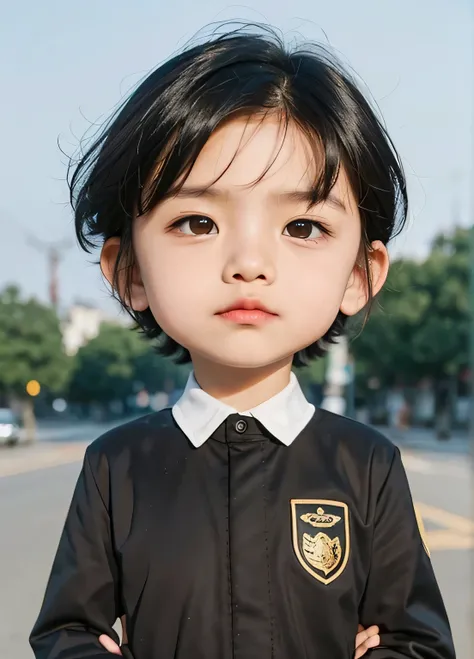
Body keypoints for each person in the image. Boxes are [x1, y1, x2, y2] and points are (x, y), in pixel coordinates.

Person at [30, 24, 455, 659]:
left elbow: (417, 639)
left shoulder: (366, 465)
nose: (250, 261)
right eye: (197, 221)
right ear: (130, 272)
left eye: (303, 226)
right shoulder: (116, 466)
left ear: (361, 275)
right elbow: (66, 631)